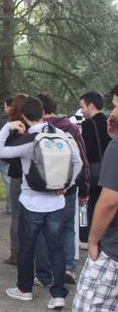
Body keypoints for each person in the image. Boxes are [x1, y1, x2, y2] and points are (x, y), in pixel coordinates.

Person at [0, 96, 82, 310]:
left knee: (27, 248)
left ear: (23, 116)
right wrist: (66, 185)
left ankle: (25, 289)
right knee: (56, 249)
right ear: (43, 112)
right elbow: (76, 161)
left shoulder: (28, 141)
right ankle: (58, 294)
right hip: (57, 202)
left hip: (31, 201)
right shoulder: (60, 134)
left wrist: (8, 127)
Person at [34, 93, 89, 287]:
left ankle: (45, 270)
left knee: (43, 229)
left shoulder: (37, 129)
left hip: (45, 187)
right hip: (69, 185)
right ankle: (67, 266)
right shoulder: (70, 127)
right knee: (67, 227)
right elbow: (81, 159)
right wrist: (83, 188)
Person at [72, 99, 118, 311]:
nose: (113, 112)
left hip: (112, 250)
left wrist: (92, 239)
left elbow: (110, 201)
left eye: (117, 106)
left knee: (89, 305)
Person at [79, 92, 112, 249]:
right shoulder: (109, 121)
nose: (82, 111)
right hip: (107, 169)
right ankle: (104, 234)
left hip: (93, 172)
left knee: (89, 204)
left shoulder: (88, 124)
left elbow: (86, 149)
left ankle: (87, 237)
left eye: (82, 107)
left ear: (91, 106)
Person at [2, 93, 29, 266]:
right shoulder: (32, 127)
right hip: (30, 174)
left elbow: (3, 153)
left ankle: (16, 252)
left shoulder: (11, 127)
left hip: (17, 175)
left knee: (17, 215)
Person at [0, 98, 15, 215]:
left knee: (8, 182)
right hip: (13, 155)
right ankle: (11, 205)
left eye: (5, 106)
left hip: (4, 155)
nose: (4, 109)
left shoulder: (6, 121)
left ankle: (11, 206)